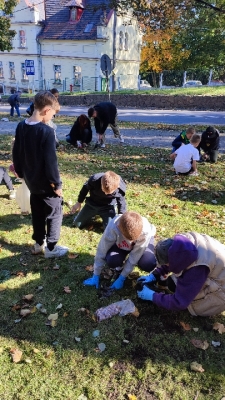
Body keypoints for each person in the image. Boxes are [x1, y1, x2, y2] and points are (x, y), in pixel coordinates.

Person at [13, 90, 68, 258]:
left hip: (31, 181)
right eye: (52, 114)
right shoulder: (46, 131)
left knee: (37, 211)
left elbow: (17, 152)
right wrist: (57, 185)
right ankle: (51, 247)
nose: (52, 117)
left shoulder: (21, 126)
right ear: (46, 110)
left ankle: (38, 244)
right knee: (55, 212)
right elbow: (51, 162)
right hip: (46, 183)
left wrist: (20, 172)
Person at [137, 232, 225, 317]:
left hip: (221, 288)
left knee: (195, 306)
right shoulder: (181, 243)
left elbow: (180, 302)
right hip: (216, 266)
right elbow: (173, 258)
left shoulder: (195, 271)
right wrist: (155, 275)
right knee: (173, 283)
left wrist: (152, 296)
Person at [83, 211, 157, 289]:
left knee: (148, 263)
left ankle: (123, 272)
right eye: (129, 239)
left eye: (133, 240)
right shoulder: (113, 226)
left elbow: (135, 255)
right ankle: (119, 266)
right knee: (112, 260)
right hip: (121, 243)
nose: (131, 242)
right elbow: (102, 250)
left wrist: (122, 277)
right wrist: (96, 275)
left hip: (142, 241)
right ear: (118, 227)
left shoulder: (145, 232)